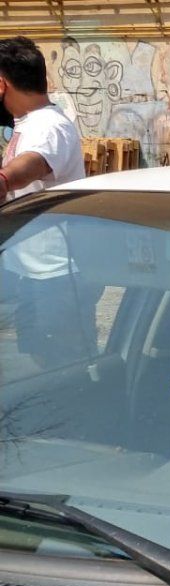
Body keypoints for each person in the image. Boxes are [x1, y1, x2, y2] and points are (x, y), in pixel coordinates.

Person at [0, 37, 94, 368]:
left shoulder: (49, 126)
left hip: (58, 277)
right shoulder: (27, 124)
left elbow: (33, 163)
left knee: (67, 368)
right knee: (39, 362)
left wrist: (4, 180)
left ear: (2, 84)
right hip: (30, 272)